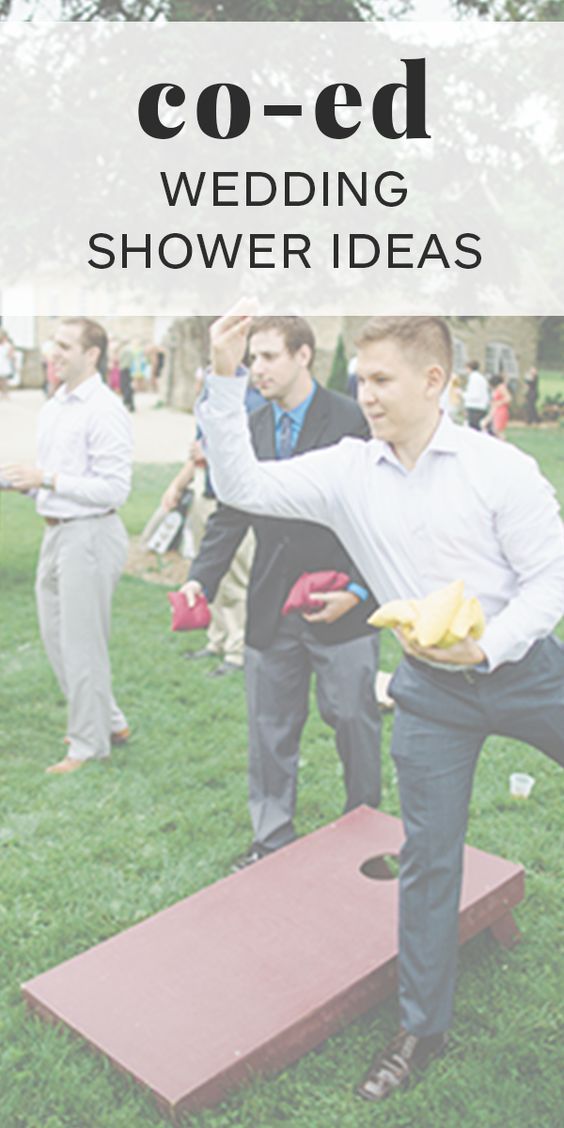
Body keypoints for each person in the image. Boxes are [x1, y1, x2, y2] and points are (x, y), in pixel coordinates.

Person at [199, 309, 564, 1098]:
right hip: (430, 694)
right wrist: (226, 382)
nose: (363, 394)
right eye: (359, 379)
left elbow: (549, 583)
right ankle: (419, 1030)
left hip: (528, 669)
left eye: (381, 379)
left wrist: (489, 645)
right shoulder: (346, 470)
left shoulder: (499, 470)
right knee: (428, 861)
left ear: (434, 381)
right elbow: (242, 484)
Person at [184, 316, 382, 869]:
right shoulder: (246, 422)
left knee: (354, 723)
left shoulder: (354, 420)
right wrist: (202, 577)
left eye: (269, 356)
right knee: (269, 730)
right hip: (271, 605)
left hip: (343, 603)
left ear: (303, 356)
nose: (258, 370)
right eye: (251, 359)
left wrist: (361, 591)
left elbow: (381, 511)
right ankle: (270, 843)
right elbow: (231, 511)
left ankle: (366, 835)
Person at [2, 318, 133, 775]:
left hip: (91, 535)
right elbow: (54, 479)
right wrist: (25, 484)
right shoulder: (55, 405)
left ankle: (88, 744)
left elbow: (115, 490)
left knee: (82, 644)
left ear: (91, 354)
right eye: (52, 343)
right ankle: (109, 721)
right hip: (56, 531)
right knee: (56, 637)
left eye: (63, 345)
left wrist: (48, 479)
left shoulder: (105, 409)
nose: (51, 352)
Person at [482, 374, 511, 439]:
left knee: (497, 430)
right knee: (494, 429)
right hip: (496, 410)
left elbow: (508, 398)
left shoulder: (501, 387)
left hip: (502, 410)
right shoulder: (495, 389)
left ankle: (504, 443)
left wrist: (499, 402)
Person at [463, 359, 490, 429]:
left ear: (469, 368)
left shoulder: (474, 378)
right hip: (481, 407)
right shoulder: (481, 378)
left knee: (473, 429)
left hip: (474, 407)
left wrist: (462, 394)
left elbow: (474, 395)